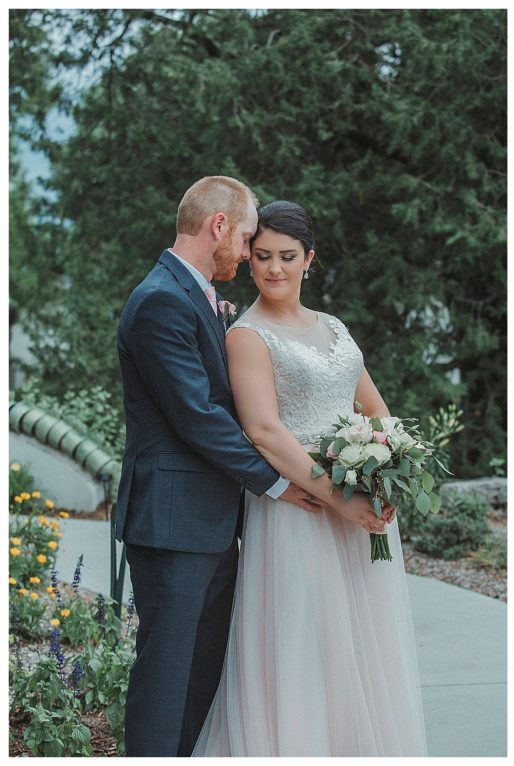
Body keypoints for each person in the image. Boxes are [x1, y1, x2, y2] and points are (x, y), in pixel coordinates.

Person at [191, 200, 427, 756]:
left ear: (309, 260)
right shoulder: (246, 336)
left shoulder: (335, 329)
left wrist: (390, 472)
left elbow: (376, 410)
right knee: (306, 646)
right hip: (301, 509)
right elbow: (265, 432)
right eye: (264, 256)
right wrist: (342, 498)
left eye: (288, 257)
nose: (275, 268)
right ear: (248, 260)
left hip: (359, 509)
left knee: (365, 648)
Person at [116, 176, 325, 757]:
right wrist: (277, 481)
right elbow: (197, 416)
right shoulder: (159, 299)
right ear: (219, 227)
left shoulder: (197, 295)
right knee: (166, 675)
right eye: (249, 236)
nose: (251, 249)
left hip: (208, 521)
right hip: (173, 522)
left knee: (201, 673)